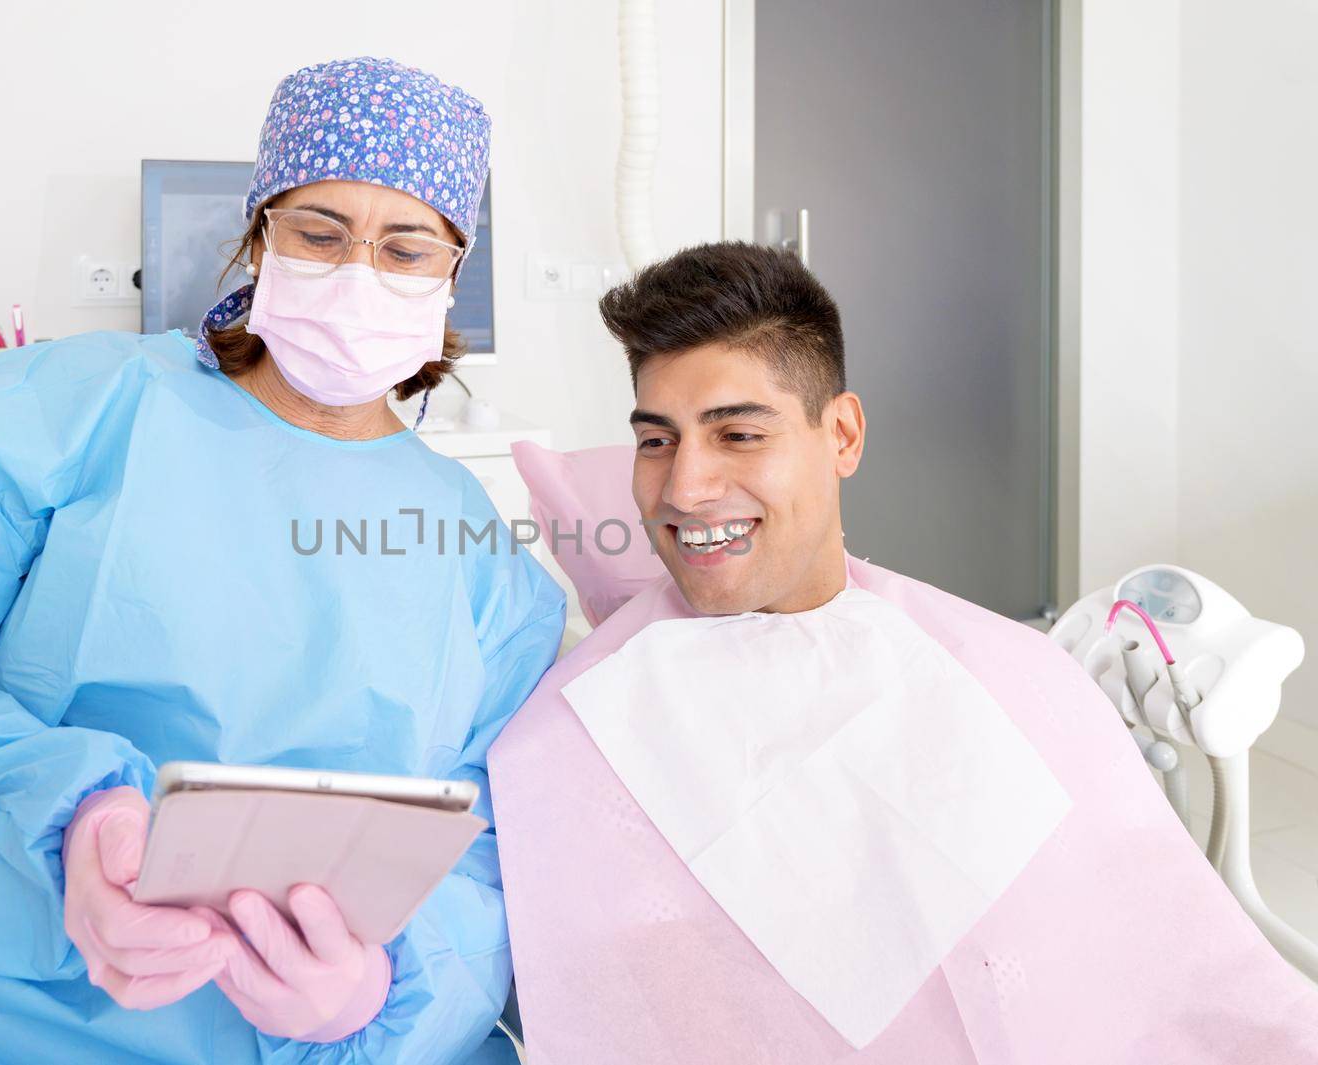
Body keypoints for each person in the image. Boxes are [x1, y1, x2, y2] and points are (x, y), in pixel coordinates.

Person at [0, 57, 563, 1065]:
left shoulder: (478, 557)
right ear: (258, 235)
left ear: (450, 276)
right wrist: (59, 833)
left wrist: (379, 989)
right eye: (319, 233)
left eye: (404, 248)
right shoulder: (57, 417)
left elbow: (494, 858)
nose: (358, 273)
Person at [487, 242, 1318, 1063]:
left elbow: (1170, 981)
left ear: (841, 435)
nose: (683, 488)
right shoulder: (571, 734)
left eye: (738, 434)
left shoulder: (1012, 678)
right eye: (657, 440)